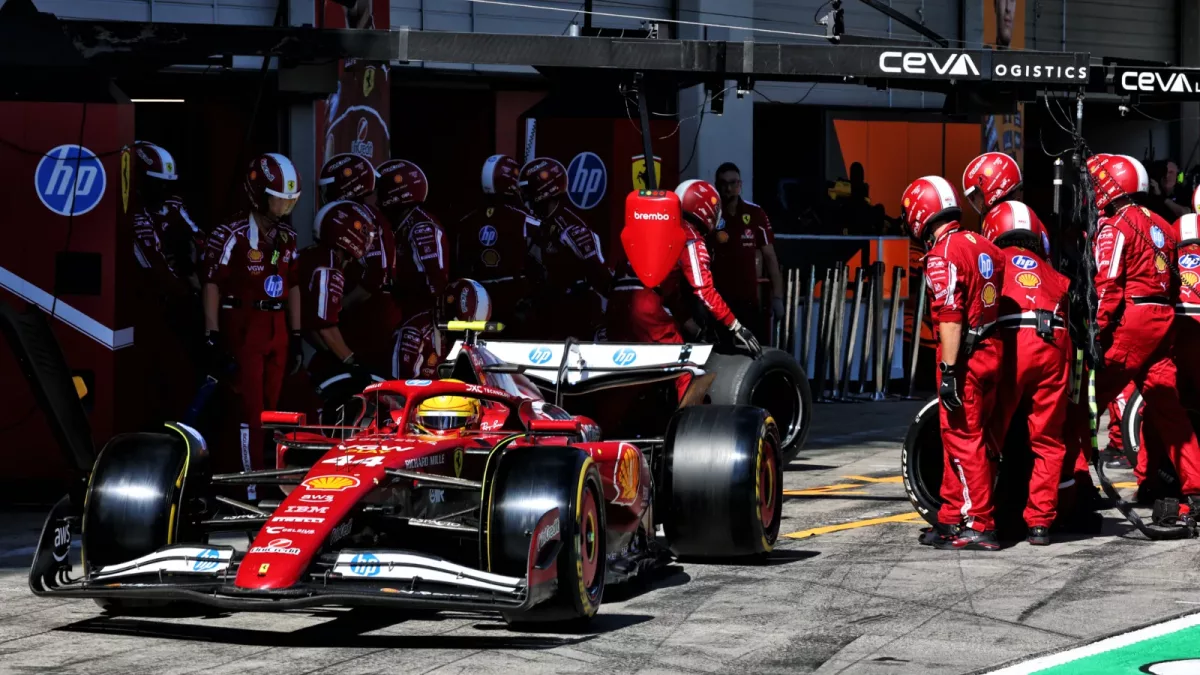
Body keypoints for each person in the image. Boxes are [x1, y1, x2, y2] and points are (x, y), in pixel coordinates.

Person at [1088, 153, 1200, 516]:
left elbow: (1107, 286)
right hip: (1164, 319)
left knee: (1083, 403)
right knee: (1170, 412)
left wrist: (1096, 332)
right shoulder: (1163, 224)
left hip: (1131, 321)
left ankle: (1068, 490)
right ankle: (1196, 490)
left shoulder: (1116, 225)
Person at [903, 175, 1005, 551]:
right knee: (959, 439)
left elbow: (950, 315)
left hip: (965, 359)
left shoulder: (943, 253)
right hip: (993, 349)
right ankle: (950, 518)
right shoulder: (986, 245)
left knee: (964, 439)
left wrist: (948, 373)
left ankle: (980, 523)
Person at [200, 152, 304, 499]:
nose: (285, 207)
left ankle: (270, 480)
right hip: (243, 324)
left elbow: (293, 286)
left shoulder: (287, 237)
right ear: (259, 194)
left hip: (277, 326)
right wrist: (212, 333)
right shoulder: (231, 234)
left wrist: (298, 333)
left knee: (273, 409)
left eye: (290, 201)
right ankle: (248, 487)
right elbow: (212, 283)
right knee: (249, 410)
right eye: (279, 199)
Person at [608, 182, 763, 400]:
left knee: (625, 375)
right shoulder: (689, 236)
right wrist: (735, 327)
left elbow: (667, 289)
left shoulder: (651, 226)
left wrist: (689, 323)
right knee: (688, 368)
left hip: (616, 305)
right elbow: (704, 290)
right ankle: (689, 429)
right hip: (647, 312)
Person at [980, 202, 1070, 545]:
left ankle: (983, 516)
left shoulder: (995, 264)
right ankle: (1040, 525)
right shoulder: (1052, 272)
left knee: (990, 433)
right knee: (1048, 440)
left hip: (1015, 343)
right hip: (1055, 342)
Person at [317, 153, 400, 373]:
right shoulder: (364, 214)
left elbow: (376, 276)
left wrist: (341, 305)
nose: (325, 197)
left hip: (368, 316)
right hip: (366, 313)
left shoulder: (363, 218)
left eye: (329, 189)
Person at [519, 157, 612, 340]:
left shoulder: (570, 226)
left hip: (575, 315)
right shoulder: (538, 223)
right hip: (547, 311)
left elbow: (600, 275)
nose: (525, 198)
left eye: (528, 191)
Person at [454, 155, 542, 336]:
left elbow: (459, 266)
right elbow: (541, 258)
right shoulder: (525, 219)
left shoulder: (466, 221)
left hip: (478, 303)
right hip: (516, 302)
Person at [296, 199, 377, 385]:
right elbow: (324, 325)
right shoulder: (329, 266)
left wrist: (330, 355)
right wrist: (351, 362)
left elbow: (312, 323)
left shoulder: (311, 254)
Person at [711, 162, 784, 341]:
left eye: (733, 183)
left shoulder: (755, 213)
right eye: (724, 183)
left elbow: (770, 257)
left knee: (752, 354)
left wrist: (777, 297)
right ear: (717, 185)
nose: (729, 188)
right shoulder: (710, 213)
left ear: (740, 185)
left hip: (749, 302)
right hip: (717, 302)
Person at [376, 159, 448, 319]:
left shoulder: (421, 227)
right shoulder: (404, 224)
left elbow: (435, 282)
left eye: (380, 192)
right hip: (409, 314)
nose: (376, 201)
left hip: (420, 318)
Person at [393, 278, 493, 380]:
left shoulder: (444, 339)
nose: (464, 338)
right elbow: (398, 388)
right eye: (463, 331)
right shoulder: (417, 331)